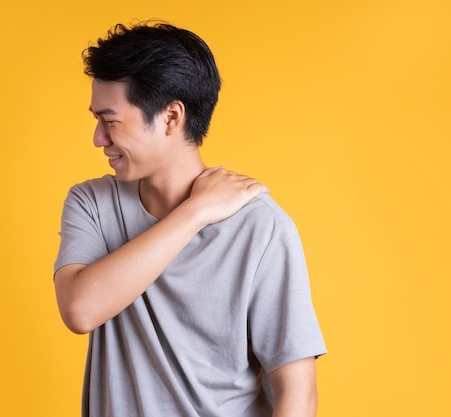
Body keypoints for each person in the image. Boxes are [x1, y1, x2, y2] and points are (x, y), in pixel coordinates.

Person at [53, 21, 326, 417]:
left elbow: (298, 395)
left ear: (170, 117)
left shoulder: (260, 227)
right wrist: (196, 212)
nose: (98, 138)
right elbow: (80, 310)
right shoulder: (92, 203)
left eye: (110, 121)